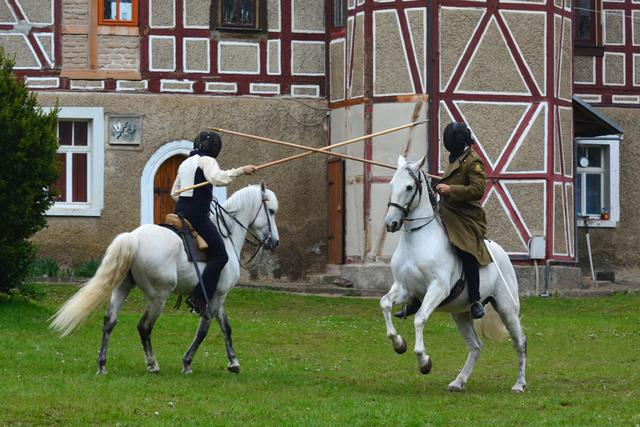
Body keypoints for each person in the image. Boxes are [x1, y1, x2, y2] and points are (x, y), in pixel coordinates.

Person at [395, 122, 491, 320]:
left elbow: (478, 190)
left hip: (467, 217)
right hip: (447, 211)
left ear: (458, 141)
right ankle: (417, 299)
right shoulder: (456, 157)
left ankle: (475, 300)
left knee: (466, 249)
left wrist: (450, 190)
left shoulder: (474, 161)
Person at [171, 131, 257, 318]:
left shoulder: (185, 163)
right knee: (220, 255)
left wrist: (199, 195)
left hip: (180, 212)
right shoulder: (207, 161)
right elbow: (218, 179)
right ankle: (200, 298)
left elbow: (174, 194)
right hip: (197, 216)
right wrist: (242, 170)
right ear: (212, 148)